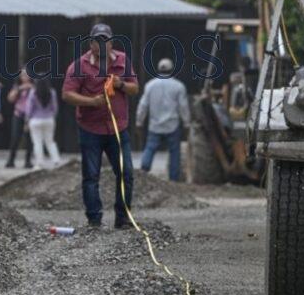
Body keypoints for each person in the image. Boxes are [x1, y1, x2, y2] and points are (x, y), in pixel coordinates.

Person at [62, 23, 140, 229]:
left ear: (112, 42)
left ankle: (123, 218)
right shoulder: (79, 66)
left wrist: (121, 84)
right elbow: (67, 94)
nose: (103, 45)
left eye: (106, 41)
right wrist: (91, 102)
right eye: (98, 41)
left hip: (118, 128)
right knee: (91, 176)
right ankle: (94, 220)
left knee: (126, 173)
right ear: (92, 43)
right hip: (90, 129)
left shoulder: (123, 61)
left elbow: (134, 88)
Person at [136, 58, 190, 182]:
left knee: (150, 148)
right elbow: (183, 107)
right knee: (174, 152)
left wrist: (139, 122)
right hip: (172, 125)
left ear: (158, 69)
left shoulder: (150, 85)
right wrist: (186, 123)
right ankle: (173, 179)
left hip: (155, 126)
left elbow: (143, 105)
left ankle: (143, 173)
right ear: (172, 70)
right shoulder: (179, 86)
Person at [26, 77, 62, 167]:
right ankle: (56, 160)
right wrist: (52, 115)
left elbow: (29, 109)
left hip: (35, 120)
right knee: (50, 141)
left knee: (37, 142)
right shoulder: (52, 92)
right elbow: (55, 108)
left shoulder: (33, 92)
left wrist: (27, 119)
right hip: (49, 119)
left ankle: (40, 162)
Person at [5, 71, 34, 168]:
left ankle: (28, 161)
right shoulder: (17, 86)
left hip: (30, 116)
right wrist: (20, 88)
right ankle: (11, 160)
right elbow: (10, 99)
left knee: (29, 139)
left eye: (27, 75)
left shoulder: (34, 86)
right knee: (15, 138)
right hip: (18, 115)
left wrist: (31, 88)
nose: (25, 77)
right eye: (23, 75)